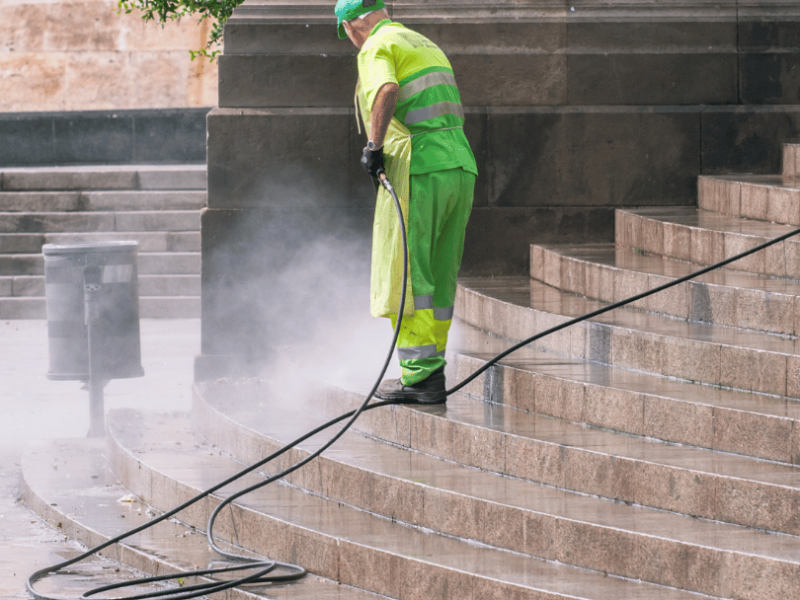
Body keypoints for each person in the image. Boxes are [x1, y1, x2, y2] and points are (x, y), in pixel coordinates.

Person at [336, 0, 478, 404]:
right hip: (458, 167)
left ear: (351, 25)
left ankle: (419, 377)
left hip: (419, 170)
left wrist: (373, 147)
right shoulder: (423, 42)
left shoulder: (376, 46)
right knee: (438, 274)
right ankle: (429, 373)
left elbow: (387, 88)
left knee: (409, 276)